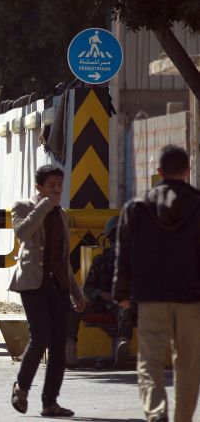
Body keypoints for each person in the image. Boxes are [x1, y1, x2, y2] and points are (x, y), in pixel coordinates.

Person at [114, 144, 200, 422]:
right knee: (188, 365)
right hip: (192, 297)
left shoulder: (136, 208)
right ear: (188, 171)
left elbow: (123, 253)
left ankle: (156, 413)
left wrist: (122, 292)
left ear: (159, 171)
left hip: (150, 297)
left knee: (149, 362)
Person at [9, 164, 86, 417]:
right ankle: (21, 388)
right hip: (33, 284)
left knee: (58, 346)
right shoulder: (23, 207)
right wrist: (44, 206)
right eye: (51, 185)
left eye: (60, 186)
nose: (56, 190)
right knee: (40, 337)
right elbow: (23, 233)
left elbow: (63, 259)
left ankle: (49, 402)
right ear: (39, 187)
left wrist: (76, 293)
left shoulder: (61, 214)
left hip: (59, 286)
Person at [66, 216, 137, 367]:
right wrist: (104, 294)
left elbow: (87, 288)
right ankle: (69, 347)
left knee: (75, 309)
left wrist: (103, 295)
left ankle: (69, 346)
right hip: (114, 304)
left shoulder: (101, 259)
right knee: (75, 308)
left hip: (112, 304)